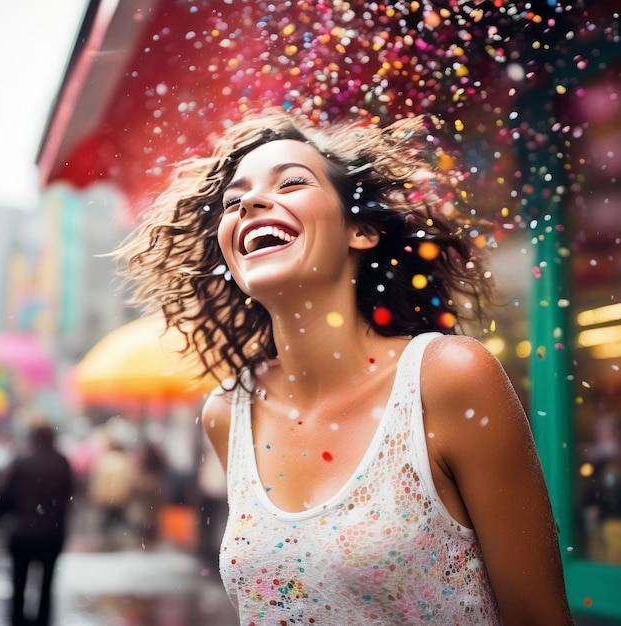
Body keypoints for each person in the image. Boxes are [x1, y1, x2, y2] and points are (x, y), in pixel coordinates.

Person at [117, 111, 574, 625]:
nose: (247, 203)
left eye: (291, 182)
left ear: (362, 230)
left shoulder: (448, 378)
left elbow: (540, 618)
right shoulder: (228, 410)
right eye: (232, 201)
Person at [0, 421, 73, 626]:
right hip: (52, 534)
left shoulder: (22, 462)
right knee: (46, 586)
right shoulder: (61, 463)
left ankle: (18, 620)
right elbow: (69, 497)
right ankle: (42, 620)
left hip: (22, 533)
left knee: (18, 583)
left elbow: (5, 496)